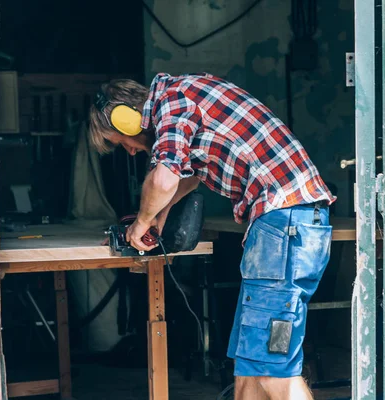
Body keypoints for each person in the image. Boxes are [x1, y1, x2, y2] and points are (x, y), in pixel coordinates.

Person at [89, 72, 335, 400]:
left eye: (122, 142)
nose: (131, 152)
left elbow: (164, 179)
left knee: (272, 369)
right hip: (281, 227)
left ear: (129, 119)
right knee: (249, 368)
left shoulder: (173, 102)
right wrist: (157, 219)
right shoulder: (184, 98)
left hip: (284, 227)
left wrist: (140, 223)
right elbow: (188, 176)